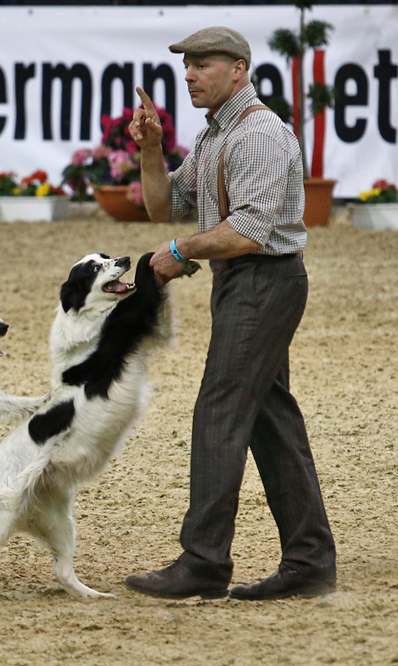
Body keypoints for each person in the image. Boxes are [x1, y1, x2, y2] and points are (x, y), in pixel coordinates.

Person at [123, 26, 336, 601]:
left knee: (219, 410)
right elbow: (164, 206)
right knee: (271, 421)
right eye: (187, 65)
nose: (190, 74)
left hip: (263, 280)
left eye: (203, 64)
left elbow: (246, 231)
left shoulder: (259, 132)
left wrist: (178, 253)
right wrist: (150, 151)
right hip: (244, 283)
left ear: (239, 68)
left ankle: (204, 560)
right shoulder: (217, 135)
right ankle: (310, 559)